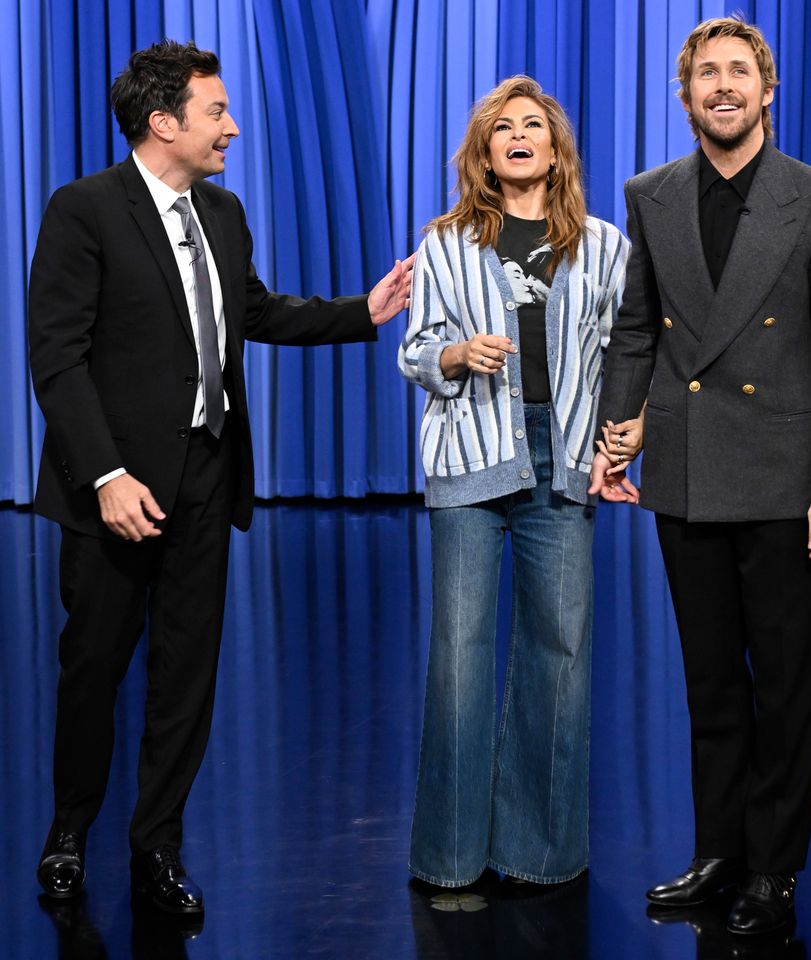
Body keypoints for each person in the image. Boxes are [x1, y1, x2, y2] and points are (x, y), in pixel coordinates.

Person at [29, 39, 413, 915]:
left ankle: (157, 848)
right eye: (217, 112)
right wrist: (107, 476)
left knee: (186, 677)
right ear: (163, 123)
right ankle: (67, 832)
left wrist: (364, 310)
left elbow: (254, 310)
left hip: (205, 477)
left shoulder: (225, 212)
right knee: (91, 671)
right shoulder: (82, 210)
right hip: (115, 495)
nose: (232, 128)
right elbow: (57, 358)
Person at [589, 16, 811, 936]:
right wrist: (617, 425)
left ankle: (774, 868)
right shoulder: (652, 193)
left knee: (783, 682)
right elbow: (638, 325)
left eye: (738, 72)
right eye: (705, 73)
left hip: (787, 475)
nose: (722, 86)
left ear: (768, 89)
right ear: (684, 95)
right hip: (686, 465)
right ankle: (720, 851)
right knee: (709, 679)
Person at [399, 75, 635, 888]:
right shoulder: (445, 243)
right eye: (505, 129)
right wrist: (455, 357)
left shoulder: (604, 245)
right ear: (486, 154)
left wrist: (618, 445)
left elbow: (620, 358)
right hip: (470, 457)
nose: (520, 136)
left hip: (561, 458)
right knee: (460, 659)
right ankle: (452, 859)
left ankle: (539, 854)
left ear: (555, 147)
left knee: (560, 654)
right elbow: (415, 350)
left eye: (534, 125)